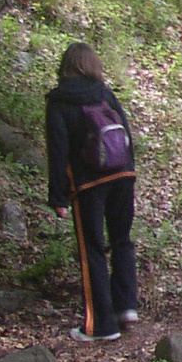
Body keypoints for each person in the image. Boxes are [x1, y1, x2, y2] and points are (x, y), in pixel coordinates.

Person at [45, 43, 138, 343]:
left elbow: (58, 151)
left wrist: (58, 198)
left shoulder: (59, 101)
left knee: (93, 251)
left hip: (88, 184)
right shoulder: (104, 93)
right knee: (122, 240)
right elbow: (125, 133)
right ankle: (126, 306)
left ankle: (101, 325)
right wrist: (130, 172)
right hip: (123, 175)